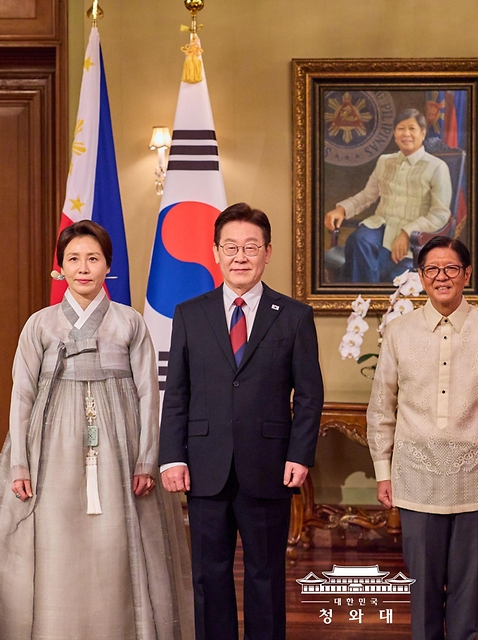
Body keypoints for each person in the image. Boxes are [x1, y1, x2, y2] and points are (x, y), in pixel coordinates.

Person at [0, 220, 195, 640]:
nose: (83, 268)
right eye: (73, 259)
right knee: (58, 538)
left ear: (108, 265)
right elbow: (21, 395)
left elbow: (149, 392)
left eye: (93, 258)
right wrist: (21, 462)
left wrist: (147, 458)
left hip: (120, 445)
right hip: (52, 445)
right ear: (60, 268)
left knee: (113, 542)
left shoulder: (129, 323)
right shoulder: (40, 324)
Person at [159, 202, 324, 640]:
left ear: (267, 252)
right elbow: (177, 392)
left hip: (270, 466)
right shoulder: (190, 314)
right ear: (215, 252)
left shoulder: (293, 316)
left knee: (265, 576)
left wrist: (300, 455)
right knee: (208, 577)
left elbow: (309, 395)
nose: (240, 256)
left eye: (251, 247)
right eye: (230, 246)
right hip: (205, 466)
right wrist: (172, 456)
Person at [367, 235, 478, 640]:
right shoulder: (399, 332)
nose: (442, 277)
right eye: (433, 270)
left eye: (451, 268)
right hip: (415, 474)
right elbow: (382, 408)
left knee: (465, 586)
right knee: (421, 586)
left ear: (467, 274)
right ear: (421, 277)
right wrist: (383, 473)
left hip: (474, 476)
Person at [324, 108, 452, 283]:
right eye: (401, 128)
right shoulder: (385, 161)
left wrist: (407, 233)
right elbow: (367, 195)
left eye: (412, 129)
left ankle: (372, 303)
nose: (406, 134)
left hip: (415, 236)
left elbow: (440, 214)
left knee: (380, 259)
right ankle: (363, 303)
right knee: (358, 239)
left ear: (423, 133)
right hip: (381, 225)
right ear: (394, 134)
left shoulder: (437, 167)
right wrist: (342, 209)